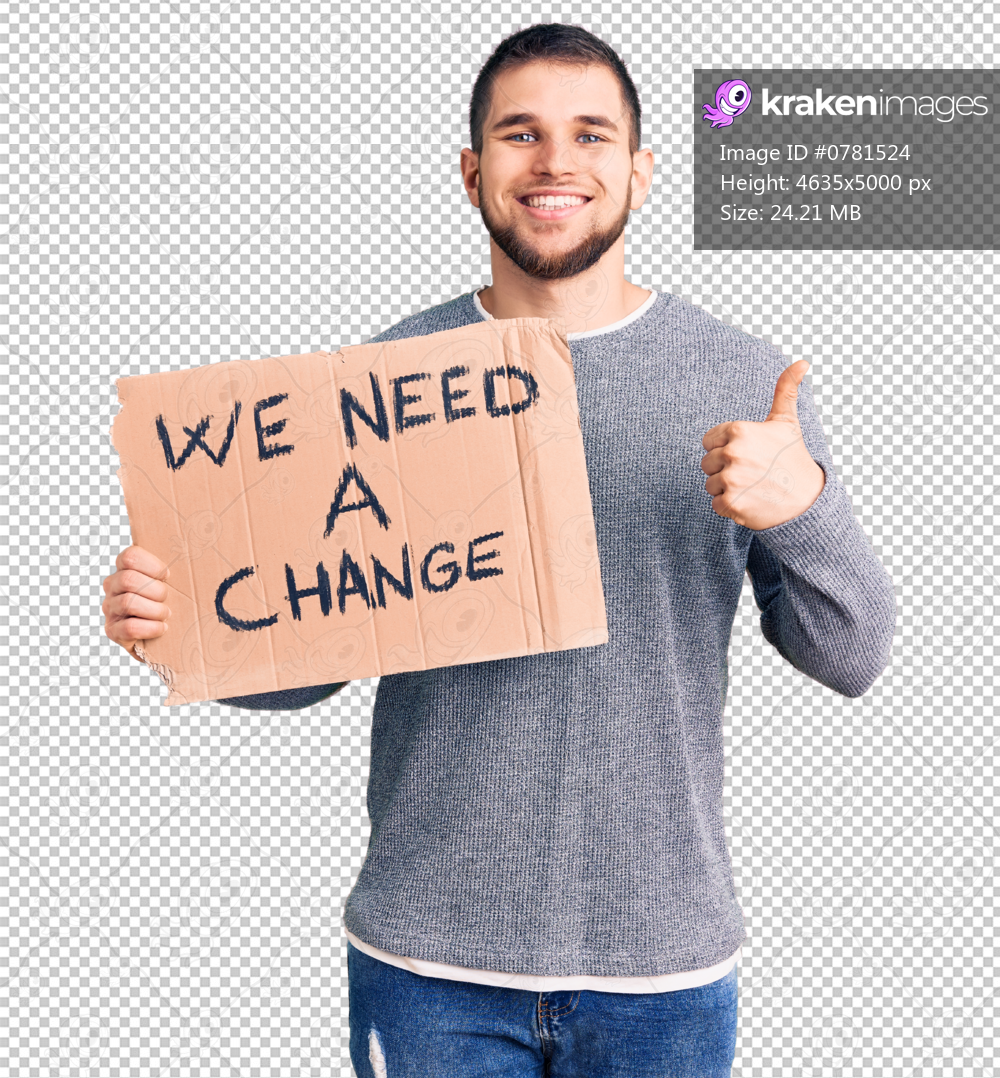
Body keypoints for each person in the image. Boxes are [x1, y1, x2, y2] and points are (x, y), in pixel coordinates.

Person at [102, 22, 897, 1078]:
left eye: (590, 135)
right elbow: (314, 656)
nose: (555, 162)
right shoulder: (382, 382)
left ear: (640, 171)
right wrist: (183, 628)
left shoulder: (743, 380)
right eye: (519, 134)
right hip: (428, 960)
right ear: (473, 171)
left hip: (662, 963)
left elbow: (853, 655)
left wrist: (803, 507)